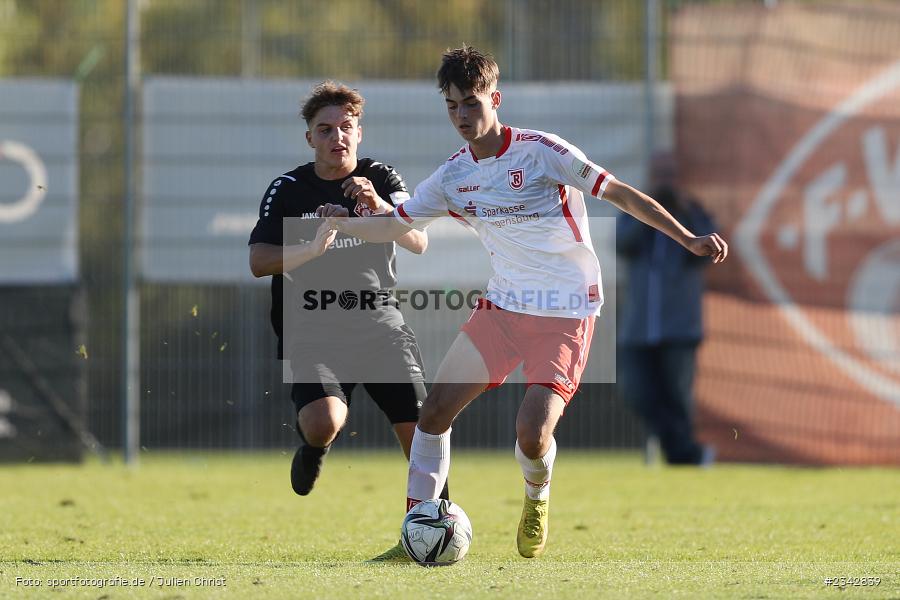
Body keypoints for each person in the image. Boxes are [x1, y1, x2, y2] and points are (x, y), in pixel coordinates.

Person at [317, 47, 728, 559]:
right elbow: (400, 223)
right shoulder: (452, 175)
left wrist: (687, 238)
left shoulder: (540, 151)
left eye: (471, 103)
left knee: (531, 437)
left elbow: (618, 193)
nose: (462, 117)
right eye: (452, 107)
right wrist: (343, 220)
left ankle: (537, 493)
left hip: (566, 312)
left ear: (496, 97)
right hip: (504, 308)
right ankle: (414, 531)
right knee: (434, 411)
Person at [247, 82, 450, 514]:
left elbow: (417, 241)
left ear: (359, 133)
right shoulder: (288, 189)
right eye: (325, 129)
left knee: (421, 432)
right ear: (309, 138)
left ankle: (435, 524)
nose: (336, 136)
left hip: (379, 327)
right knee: (324, 423)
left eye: (346, 127)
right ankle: (314, 448)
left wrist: (379, 207)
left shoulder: (381, 177)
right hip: (313, 330)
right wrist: (310, 249)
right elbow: (258, 260)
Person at [616, 151, 716, 466]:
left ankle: (682, 459)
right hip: (639, 327)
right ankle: (688, 453)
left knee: (678, 398)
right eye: (659, 175)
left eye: (669, 175)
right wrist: (652, 216)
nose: (664, 182)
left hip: (679, 327)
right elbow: (623, 245)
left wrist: (682, 216)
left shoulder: (695, 213)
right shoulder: (633, 214)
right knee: (636, 392)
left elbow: (708, 251)